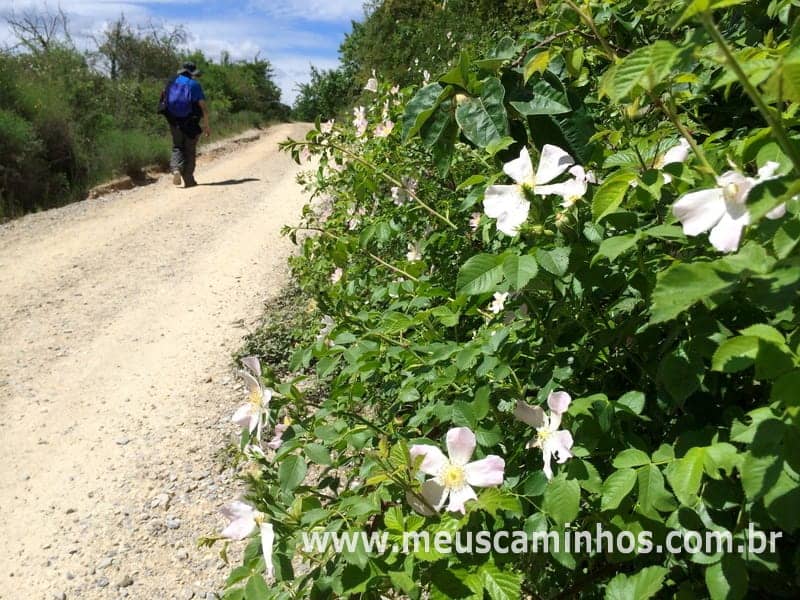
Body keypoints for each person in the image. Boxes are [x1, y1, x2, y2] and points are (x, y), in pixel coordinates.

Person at [164, 62, 210, 188]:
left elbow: (164, 103)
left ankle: (176, 169)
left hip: (174, 121)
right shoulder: (193, 85)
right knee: (190, 150)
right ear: (191, 73)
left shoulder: (171, 82)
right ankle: (189, 181)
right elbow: (204, 108)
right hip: (190, 122)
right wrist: (206, 126)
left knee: (177, 147)